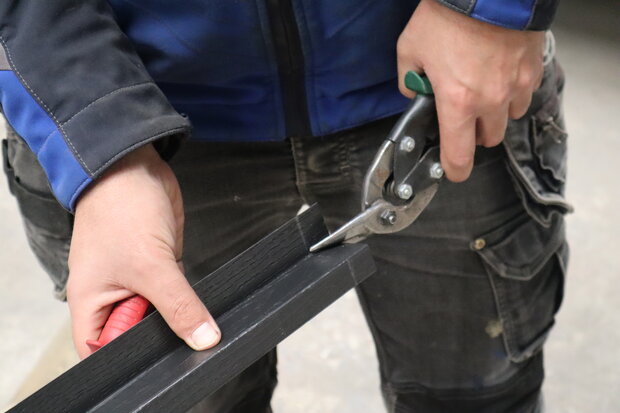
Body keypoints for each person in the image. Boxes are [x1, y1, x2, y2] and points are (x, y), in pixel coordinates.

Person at [0, 0, 571, 411]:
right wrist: (99, 140)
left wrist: (493, 9)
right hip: (144, 114)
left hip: (430, 89)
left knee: (474, 395)